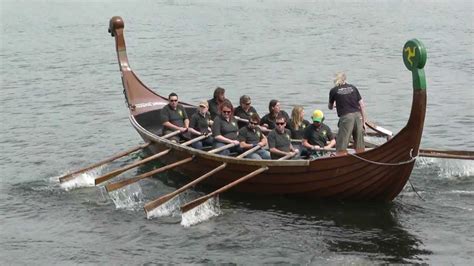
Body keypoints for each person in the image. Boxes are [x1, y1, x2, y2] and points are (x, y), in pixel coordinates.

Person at [328, 72, 367, 155]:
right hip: (358, 116)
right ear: (345, 79)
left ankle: (340, 162)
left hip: (346, 118)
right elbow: (362, 105)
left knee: (341, 144)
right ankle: (361, 160)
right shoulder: (353, 88)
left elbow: (330, 107)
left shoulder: (334, 90)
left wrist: (334, 105)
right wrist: (364, 122)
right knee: (360, 144)